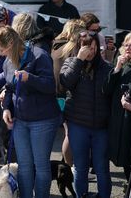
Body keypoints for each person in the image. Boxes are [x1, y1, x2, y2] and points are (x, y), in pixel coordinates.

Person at [0, 26, 61, 198]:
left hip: (43, 119)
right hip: (21, 120)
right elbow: (8, 88)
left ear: (10, 44)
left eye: (2, 50)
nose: (0, 54)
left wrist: (30, 78)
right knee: (24, 166)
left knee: (41, 166)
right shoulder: (8, 62)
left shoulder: (39, 56)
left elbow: (50, 86)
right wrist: (7, 108)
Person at [60, 33, 112, 198]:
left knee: (102, 167)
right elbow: (65, 83)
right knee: (80, 167)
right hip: (78, 124)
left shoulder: (106, 68)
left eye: (94, 48)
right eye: (88, 47)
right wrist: (79, 60)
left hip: (101, 127)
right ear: (79, 47)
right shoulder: (70, 63)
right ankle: (81, 195)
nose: (91, 51)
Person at [104, 30, 131, 181]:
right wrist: (117, 67)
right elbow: (106, 90)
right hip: (121, 125)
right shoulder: (122, 65)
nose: (127, 48)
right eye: (126, 44)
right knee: (127, 165)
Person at [51, 19, 86, 166]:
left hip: (55, 95)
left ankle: (66, 166)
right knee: (69, 134)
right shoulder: (72, 48)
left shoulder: (55, 45)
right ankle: (71, 168)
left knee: (66, 131)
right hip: (68, 95)